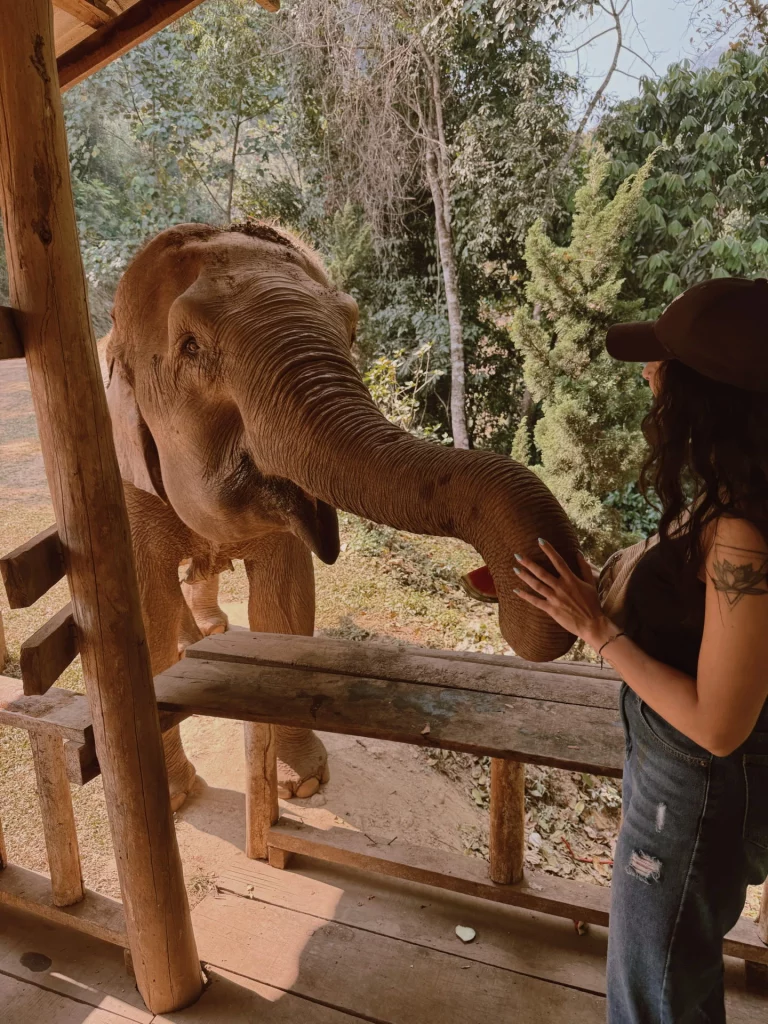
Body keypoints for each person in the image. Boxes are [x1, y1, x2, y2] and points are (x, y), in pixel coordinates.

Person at [512, 276, 768, 1024]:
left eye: (664, 363)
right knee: (672, 985)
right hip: (679, 787)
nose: (650, 374)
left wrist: (598, 631)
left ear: (709, 395)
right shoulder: (729, 491)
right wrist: (587, 594)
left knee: (651, 1000)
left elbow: (720, 723)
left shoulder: (744, 531)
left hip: (693, 795)